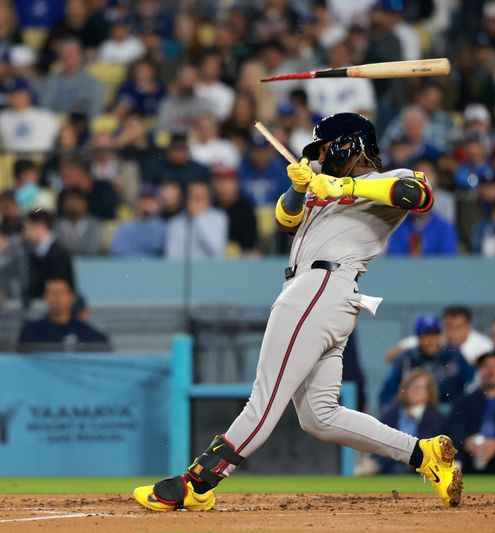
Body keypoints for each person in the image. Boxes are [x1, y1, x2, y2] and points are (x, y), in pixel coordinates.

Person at [133, 112, 463, 510]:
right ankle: (423, 455)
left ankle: (196, 483)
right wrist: (297, 188)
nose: (321, 158)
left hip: (321, 288)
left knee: (266, 398)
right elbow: (285, 219)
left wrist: (338, 184)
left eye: (325, 149)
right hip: (322, 294)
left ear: (348, 145)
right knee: (319, 417)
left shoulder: (383, 180)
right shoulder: (323, 188)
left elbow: (420, 195)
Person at [380, 312, 474, 407]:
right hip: (415, 414)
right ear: (417, 337)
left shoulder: (453, 354)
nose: (431, 340)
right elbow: (387, 396)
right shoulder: (407, 359)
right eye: (426, 335)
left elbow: (472, 382)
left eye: (434, 334)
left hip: (450, 413)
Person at [378, 369, 446, 474]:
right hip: (389, 464)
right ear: (405, 388)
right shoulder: (392, 413)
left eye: (421, 387)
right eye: (413, 385)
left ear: (429, 392)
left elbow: (430, 442)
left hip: (418, 469)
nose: (416, 390)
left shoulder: (436, 417)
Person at [18, 278, 109, 352]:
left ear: (72, 297)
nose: (57, 297)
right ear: (45, 297)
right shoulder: (31, 332)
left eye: (62, 292)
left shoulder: (89, 334)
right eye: (53, 293)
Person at [386, 306, 494, 365]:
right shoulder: (436, 338)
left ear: (469, 327)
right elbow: (391, 355)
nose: (452, 332)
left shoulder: (483, 344)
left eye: (458, 328)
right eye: (448, 327)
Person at [165, 181, 228, 260]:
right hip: (182, 270)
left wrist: (198, 218)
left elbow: (217, 251)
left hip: (211, 270)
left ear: (208, 200)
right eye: (193, 197)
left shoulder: (219, 217)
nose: (195, 202)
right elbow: (171, 256)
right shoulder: (175, 223)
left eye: (199, 198)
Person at [23, 210, 74, 301]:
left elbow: (60, 287)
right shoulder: (32, 254)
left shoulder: (59, 254)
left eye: (28, 228)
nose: (25, 233)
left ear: (40, 226)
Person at [0, 79, 59, 153]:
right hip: (11, 161)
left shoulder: (45, 116)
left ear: (29, 96)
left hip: (40, 159)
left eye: (18, 94)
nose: (14, 98)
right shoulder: (2, 117)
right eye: (11, 94)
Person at [110, 184, 166, 258]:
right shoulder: (125, 228)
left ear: (159, 203)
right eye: (143, 198)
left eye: (151, 198)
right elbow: (117, 252)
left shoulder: (166, 228)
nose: (147, 203)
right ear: (137, 203)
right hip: (129, 268)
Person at [54, 188, 103, 256]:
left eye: (78, 200)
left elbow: (92, 250)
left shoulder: (96, 225)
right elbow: (56, 250)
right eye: (70, 200)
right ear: (63, 204)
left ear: (86, 203)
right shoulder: (56, 226)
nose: (74, 203)